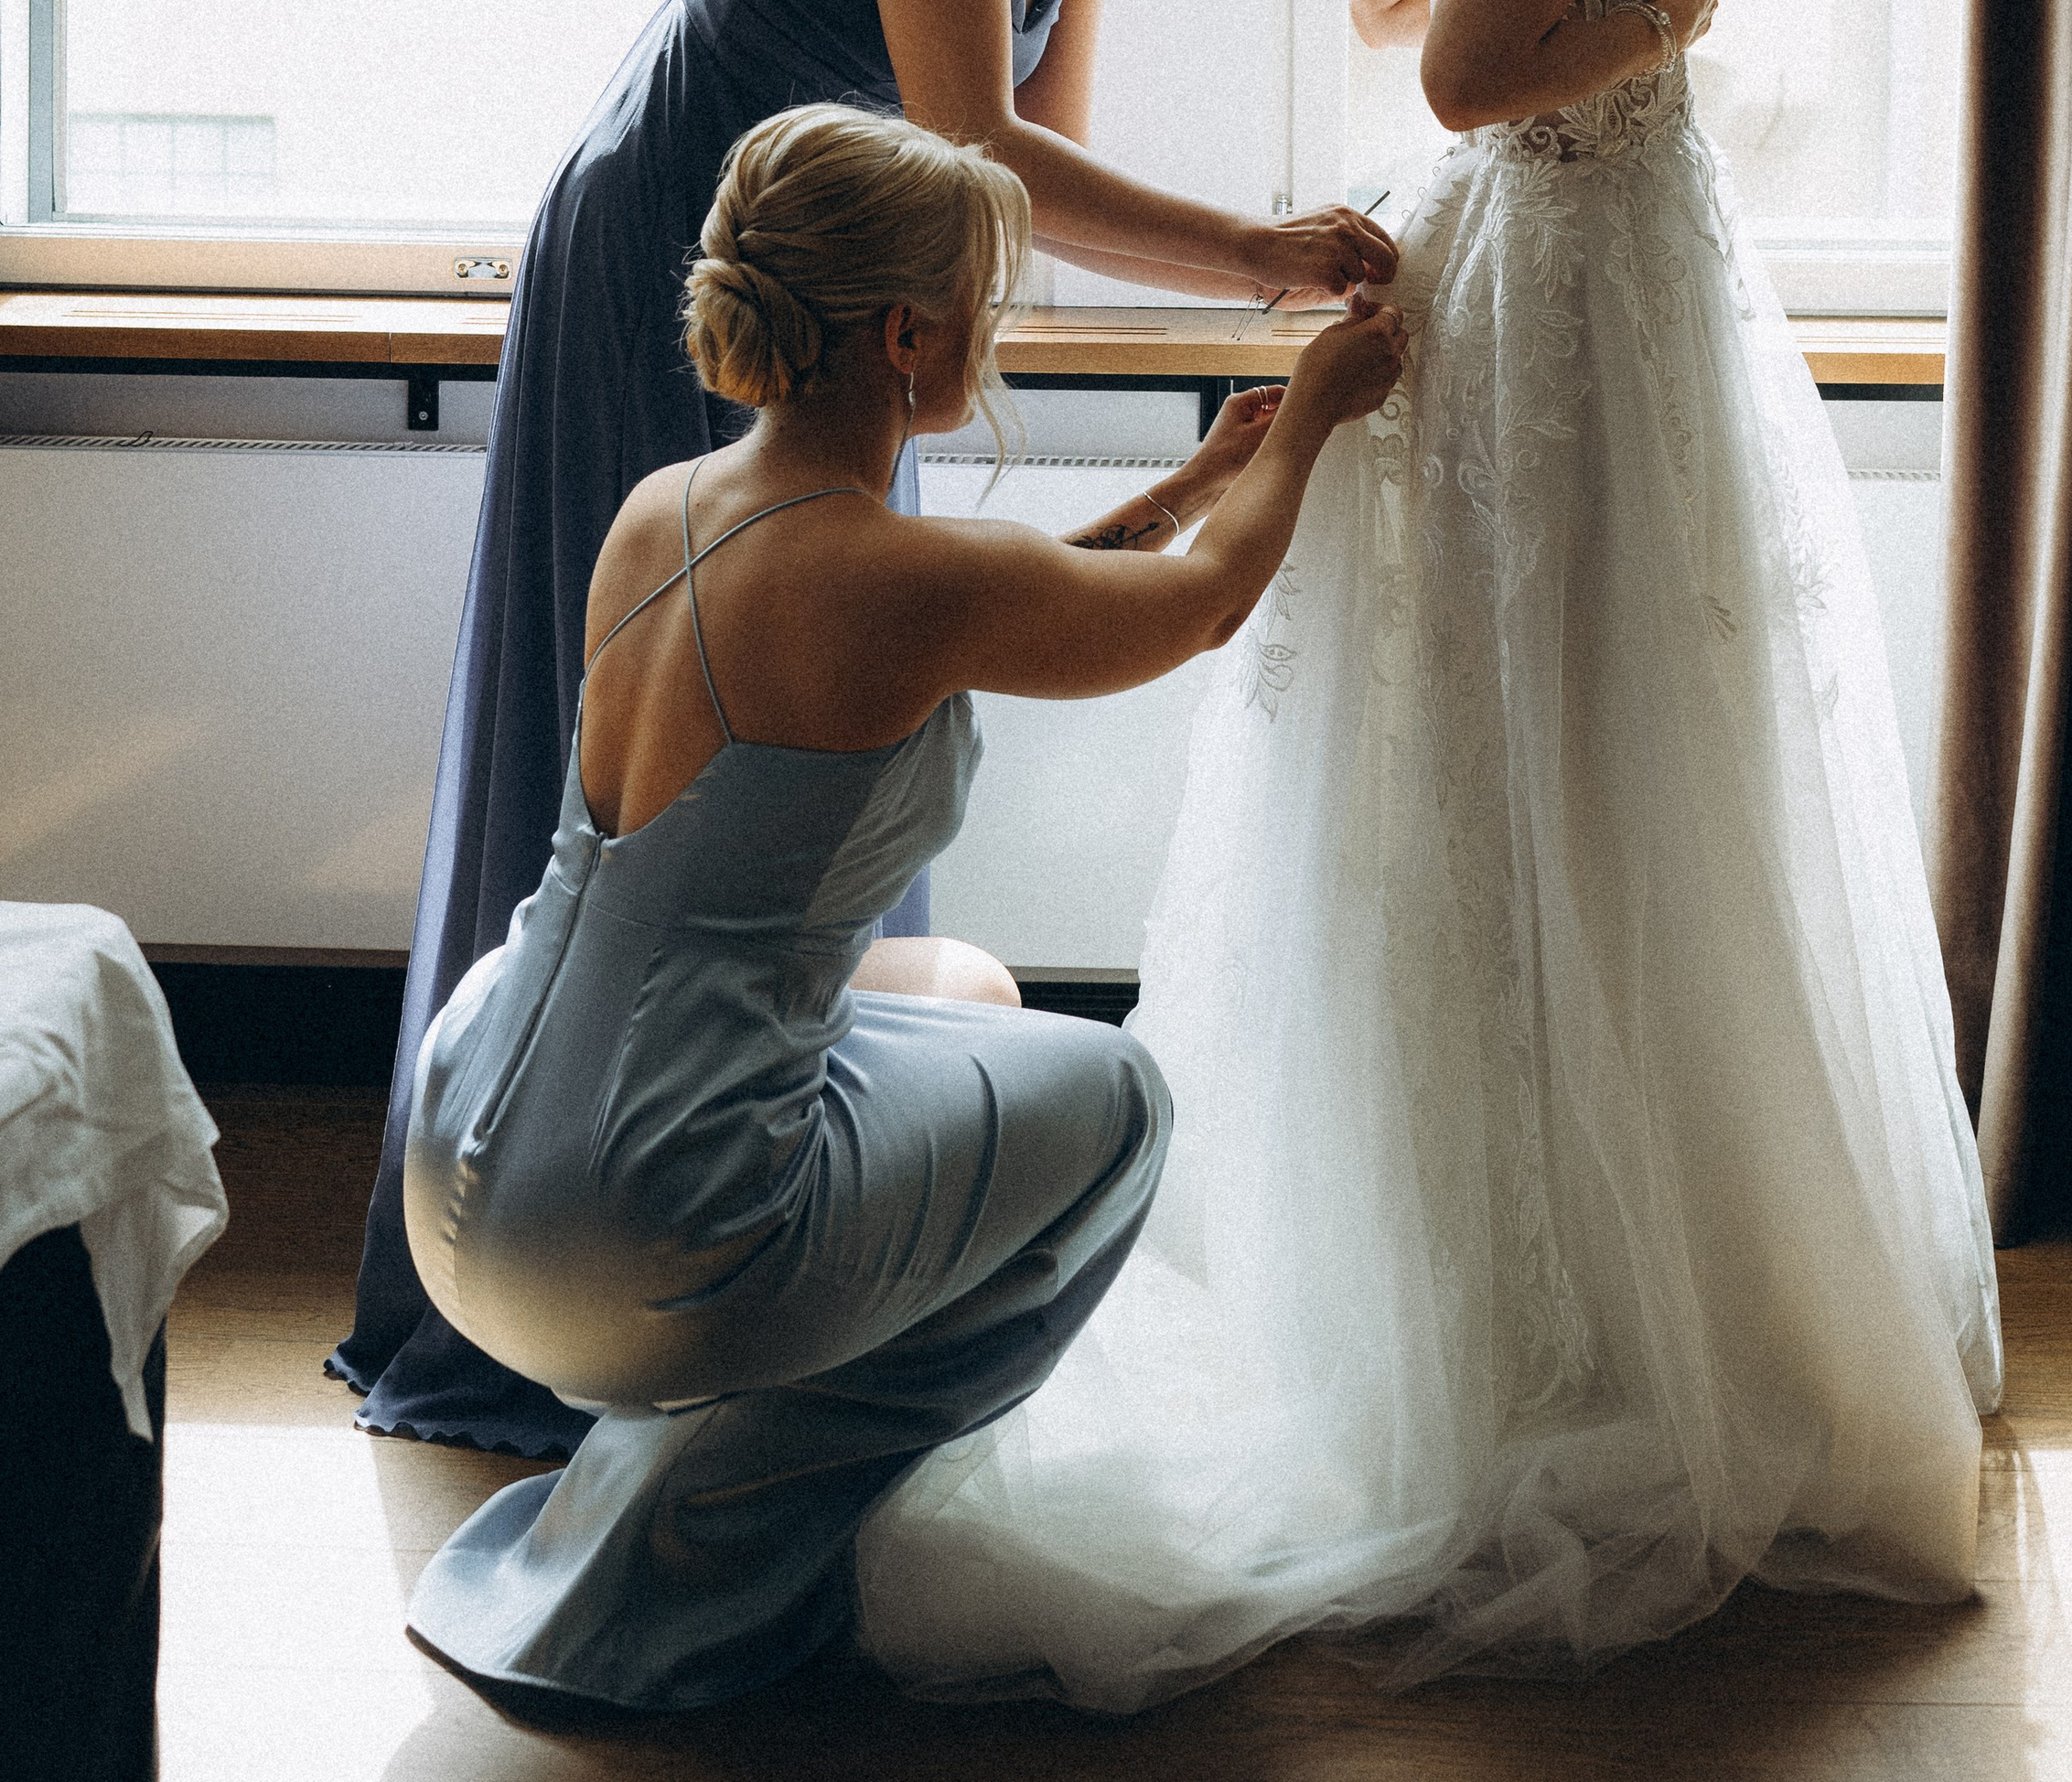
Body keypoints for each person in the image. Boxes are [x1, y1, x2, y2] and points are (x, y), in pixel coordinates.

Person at [855, 0, 2005, 1706]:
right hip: (1581, 281)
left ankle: (1541, 1271)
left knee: (1536, 756)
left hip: (1558, 281)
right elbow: (1467, 78)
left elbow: (1397, 5)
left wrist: (1578, 12)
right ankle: (1578, 1323)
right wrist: (1654, 19)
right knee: (1602, 754)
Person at [338, 0, 1397, 1452]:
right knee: (650, 717)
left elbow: (1008, 211)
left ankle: (759, 1167)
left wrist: (1217, 363)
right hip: (686, 249)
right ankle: (550, 1270)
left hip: (865, 305)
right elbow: (971, 135)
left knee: (836, 682)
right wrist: (1254, 253)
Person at [400, 102, 1406, 1713]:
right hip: (649, 1215)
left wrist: (1192, 473)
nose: (993, 339)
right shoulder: (897, 575)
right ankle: (742, 1535)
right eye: (986, 310)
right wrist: (1313, 425)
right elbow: (1202, 613)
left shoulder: (668, 507)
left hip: (468, 1167)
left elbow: (980, 611)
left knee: (962, 984)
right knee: (1126, 1106)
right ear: (907, 336)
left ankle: (682, 1463)